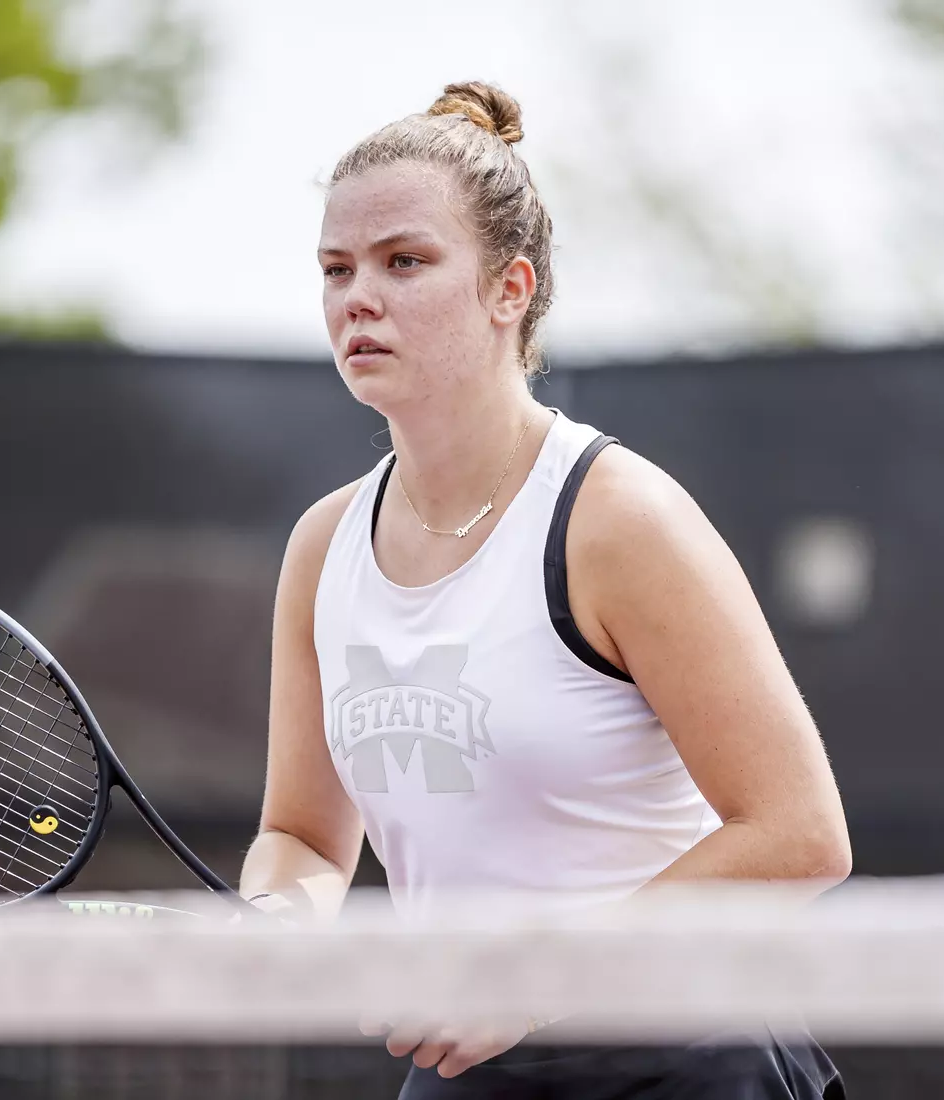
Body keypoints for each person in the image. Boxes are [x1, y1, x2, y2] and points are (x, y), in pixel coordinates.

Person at [237, 81, 851, 1098]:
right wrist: (279, 914)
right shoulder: (322, 546)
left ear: (510, 288)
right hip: (464, 1069)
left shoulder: (621, 519)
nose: (358, 296)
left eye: (406, 261)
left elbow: (799, 834)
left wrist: (539, 974)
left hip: (687, 1062)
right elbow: (301, 835)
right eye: (337, 268)